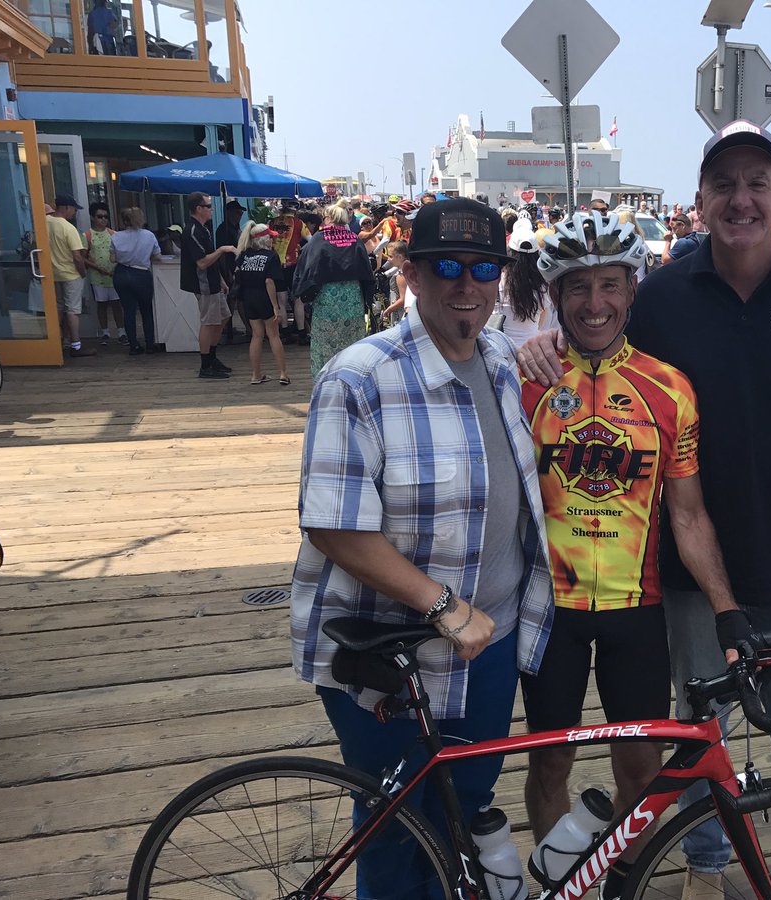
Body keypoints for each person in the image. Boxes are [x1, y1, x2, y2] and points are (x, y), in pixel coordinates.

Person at [517, 119, 771, 900]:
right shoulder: (659, 295)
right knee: (699, 740)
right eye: (723, 184)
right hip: (686, 573)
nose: (742, 198)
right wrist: (540, 345)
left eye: (758, 182)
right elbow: (596, 342)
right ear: (699, 202)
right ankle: (702, 872)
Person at [290, 197, 553, 897]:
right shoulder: (357, 376)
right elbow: (333, 524)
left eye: (483, 268)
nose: (465, 285)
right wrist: (442, 607)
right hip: (392, 649)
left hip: (489, 642)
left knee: (460, 812)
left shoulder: (500, 356)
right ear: (408, 272)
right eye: (445, 266)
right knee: (393, 820)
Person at [521, 210, 743, 900]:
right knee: (548, 765)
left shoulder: (669, 388)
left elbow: (689, 512)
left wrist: (726, 610)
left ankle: (626, 884)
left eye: (611, 285)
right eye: (578, 287)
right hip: (548, 606)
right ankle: (561, 887)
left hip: (635, 608)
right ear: (555, 294)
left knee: (641, 772)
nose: (596, 304)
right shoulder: (522, 378)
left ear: (633, 289)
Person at [290, 203, 376, 377]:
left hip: (327, 297)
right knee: (352, 341)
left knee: (325, 342)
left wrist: (304, 291)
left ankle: (325, 378)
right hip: (352, 297)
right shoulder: (354, 239)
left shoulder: (319, 239)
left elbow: (308, 267)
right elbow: (366, 271)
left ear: (328, 218)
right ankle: (353, 375)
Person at [180, 192, 237, 378]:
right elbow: (202, 262)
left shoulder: (203, 229)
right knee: (208, 322)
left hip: (213, 282)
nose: (212, 209)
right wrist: (222, 249)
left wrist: (220, 280)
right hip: (203, 284)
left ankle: (212, 357)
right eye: (209, 206)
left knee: (223, 317)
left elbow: (209, 259)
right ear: (199, 209)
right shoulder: (192, 231)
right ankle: (205, 365)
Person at [233, 222, 290, 385]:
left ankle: (256, 374)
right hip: (265, 298)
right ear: (264, 240)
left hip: (248, 298)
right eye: (270, 237)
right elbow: (269, 282)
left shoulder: (243, 255)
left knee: (256, 336)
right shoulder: (271, 257)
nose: (272, 240)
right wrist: (275, 306)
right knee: (273, 335)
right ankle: (283, 373)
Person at [493, 216, 557, 348]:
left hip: (501, 349)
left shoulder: (498, 279)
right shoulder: (543, 285)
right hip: (531, 351)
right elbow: (541, 322)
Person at [110, 207, 162, 355]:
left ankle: (134, 345)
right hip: (140, 273)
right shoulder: (149, 236)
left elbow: (112, 258)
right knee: (146, 310)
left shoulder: (116, 236)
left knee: (128, 310)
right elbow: (157, 256)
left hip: (121, 273)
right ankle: (150, 344)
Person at [48, 194, 92, 356]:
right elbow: (77, 256)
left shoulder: (44, 223)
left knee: (58, 308)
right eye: (73, 209)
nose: (74, 213)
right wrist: (82, 273)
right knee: (73, 310)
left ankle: (58, 341)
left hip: (51, 274)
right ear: (66, 208)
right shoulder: (68, 228)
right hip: (70, 274)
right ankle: (76, 345)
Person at [83, 202, 126, 346]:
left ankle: (121, 331)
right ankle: (105, 332)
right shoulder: (87, 235)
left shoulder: (114, 234)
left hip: (113, 274)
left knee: (117, 304)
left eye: (105, 217)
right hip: (97, 276)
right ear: (93, 217)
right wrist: (97, 268)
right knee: (101, 304)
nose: (103, 219)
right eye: (99, 216)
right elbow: (83, 256)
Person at [271, 200, 310, 344]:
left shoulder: (272, 222)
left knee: (281, 301)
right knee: (298, 300)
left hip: (276, 265)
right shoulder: (299, 223)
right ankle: (301, 334)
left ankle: (285, 333)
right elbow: (311, 241)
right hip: (293, 265)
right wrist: (301, 250)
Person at [216, 199, 247, 342]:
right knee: (232, 299)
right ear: (228, 213)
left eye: (240, 213)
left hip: (237, 268)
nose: (239, 216)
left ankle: (231, 327)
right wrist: (226, 271)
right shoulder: (224, 230)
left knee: (236, 299)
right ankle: (226, 328)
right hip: (229, 268)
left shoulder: (235, 228)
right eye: (237, 213)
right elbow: (222, 253)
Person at [382, 240, 410, 325]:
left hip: (399, 312)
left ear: (400, 257)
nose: (389, 259)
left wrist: (388, 310)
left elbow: (403, 299)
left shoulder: (401, 276)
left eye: (391, 256)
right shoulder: (409, 270)